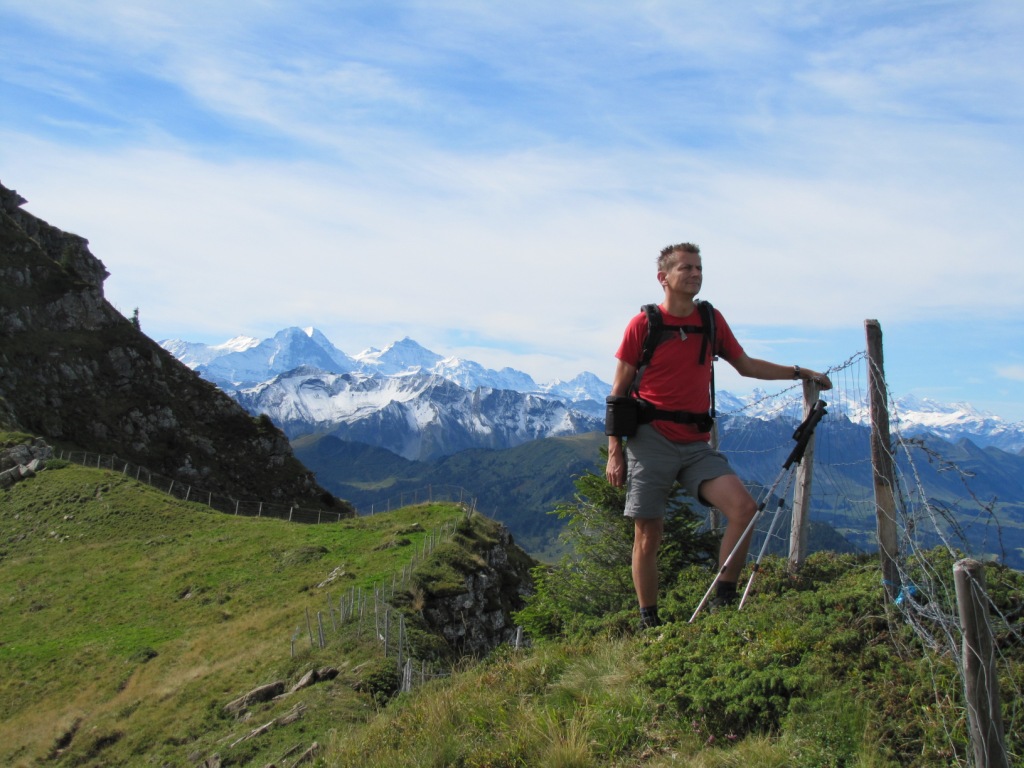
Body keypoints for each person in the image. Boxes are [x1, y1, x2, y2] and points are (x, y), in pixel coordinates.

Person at [605, 242, 832, 630]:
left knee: (743, 510)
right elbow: (618, 393)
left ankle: (722, 603)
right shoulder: (643, 325)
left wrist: (799, 372)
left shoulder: (710, 321)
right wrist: (616, 451)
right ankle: (650, 622)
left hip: (696, 442)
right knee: (648, 533)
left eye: (698, 268)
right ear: (664, 278)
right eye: (686, 269)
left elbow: (745, 366)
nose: (695, 274)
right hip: (651, 439)